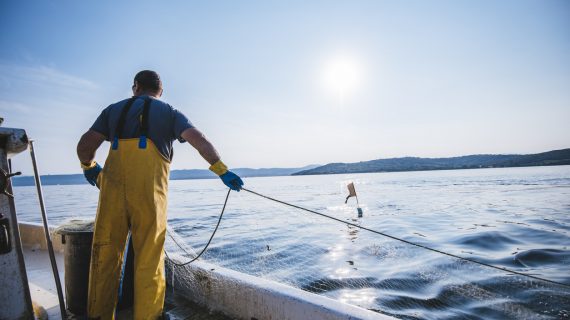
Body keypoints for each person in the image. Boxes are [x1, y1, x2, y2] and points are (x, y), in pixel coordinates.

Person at [76, 70, 243, 319]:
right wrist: (222, 171)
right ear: (160, 90)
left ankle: (99, 315)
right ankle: (148, 315)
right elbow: (199, 139)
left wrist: (89, 167)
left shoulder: (112, 110)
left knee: (105, 254)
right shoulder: (170, 112)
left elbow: (86, 144)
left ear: (135, 88)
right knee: (149, 257)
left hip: (111, 191)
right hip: (149, 195)